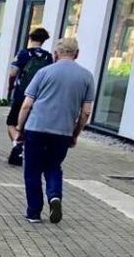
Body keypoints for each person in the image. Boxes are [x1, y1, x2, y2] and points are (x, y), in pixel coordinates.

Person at [15, 37, 94, 224]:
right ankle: (54, 196)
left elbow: (27, 104)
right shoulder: (86, 76)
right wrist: (75, 133)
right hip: (63, 131)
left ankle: (34, 213)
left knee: (32, 170)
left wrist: (20, 128)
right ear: (77, 54)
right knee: (53, 166)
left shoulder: (44, 72)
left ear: (56, 54)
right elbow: (86, 112)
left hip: (36, 127)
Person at [6, 28, 53, 166]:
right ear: (43, 41)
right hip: (40, 97)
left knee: (11, 123)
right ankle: (24, 147)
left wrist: (10, 86)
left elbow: (13, 72)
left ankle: (17, 144)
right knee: (29, 125)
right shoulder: (48, 57)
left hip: (22, 94)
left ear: (30, 38)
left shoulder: (23, 53)